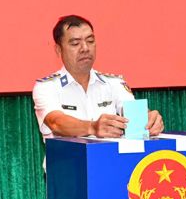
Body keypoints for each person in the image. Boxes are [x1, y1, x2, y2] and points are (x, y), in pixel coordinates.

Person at [33, 15, 164, 139]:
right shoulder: (47, 86)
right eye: (75, 43)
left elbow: (134, 115)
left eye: (90, 41)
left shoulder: (114, 83)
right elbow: (56, 123)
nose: (85, 48)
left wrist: (148, 120)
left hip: (108, 155)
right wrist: (92, 127)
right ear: (58, 50)